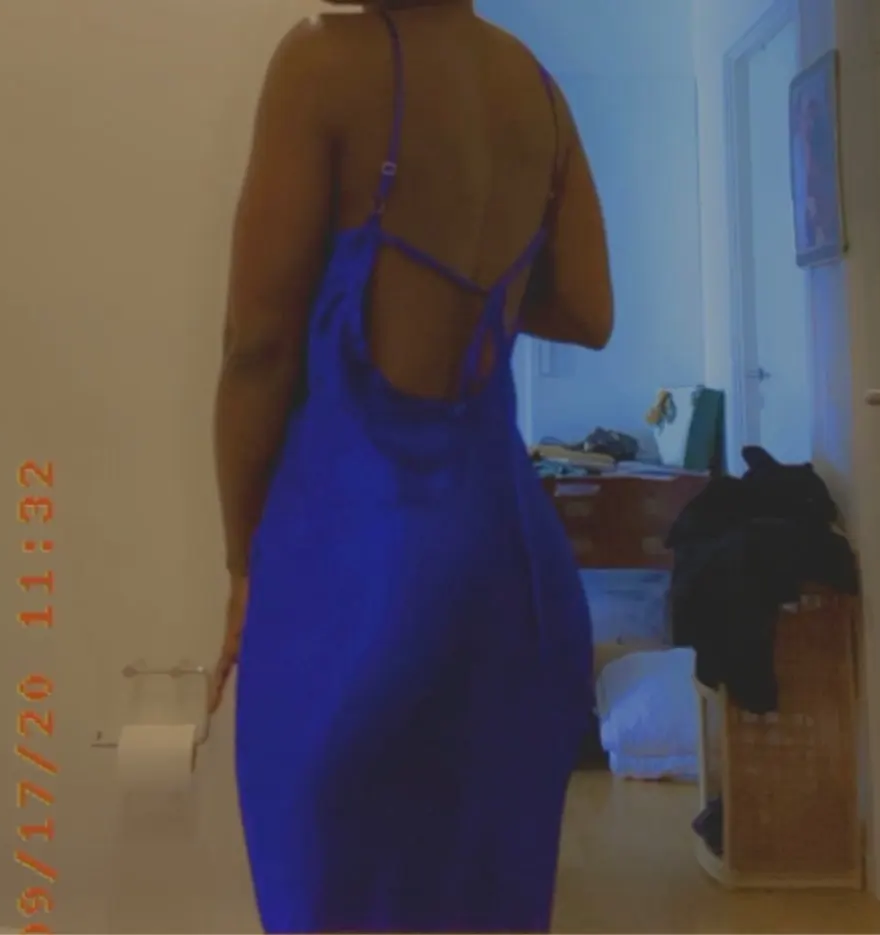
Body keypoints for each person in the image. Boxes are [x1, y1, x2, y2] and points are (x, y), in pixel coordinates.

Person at [210, 0, 613, 931]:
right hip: (515, 579)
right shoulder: (537, 90)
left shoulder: (323, 61)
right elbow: (589, 310)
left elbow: (258, 349)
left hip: (361, 582)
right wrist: (474, 287)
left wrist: (241, 564)